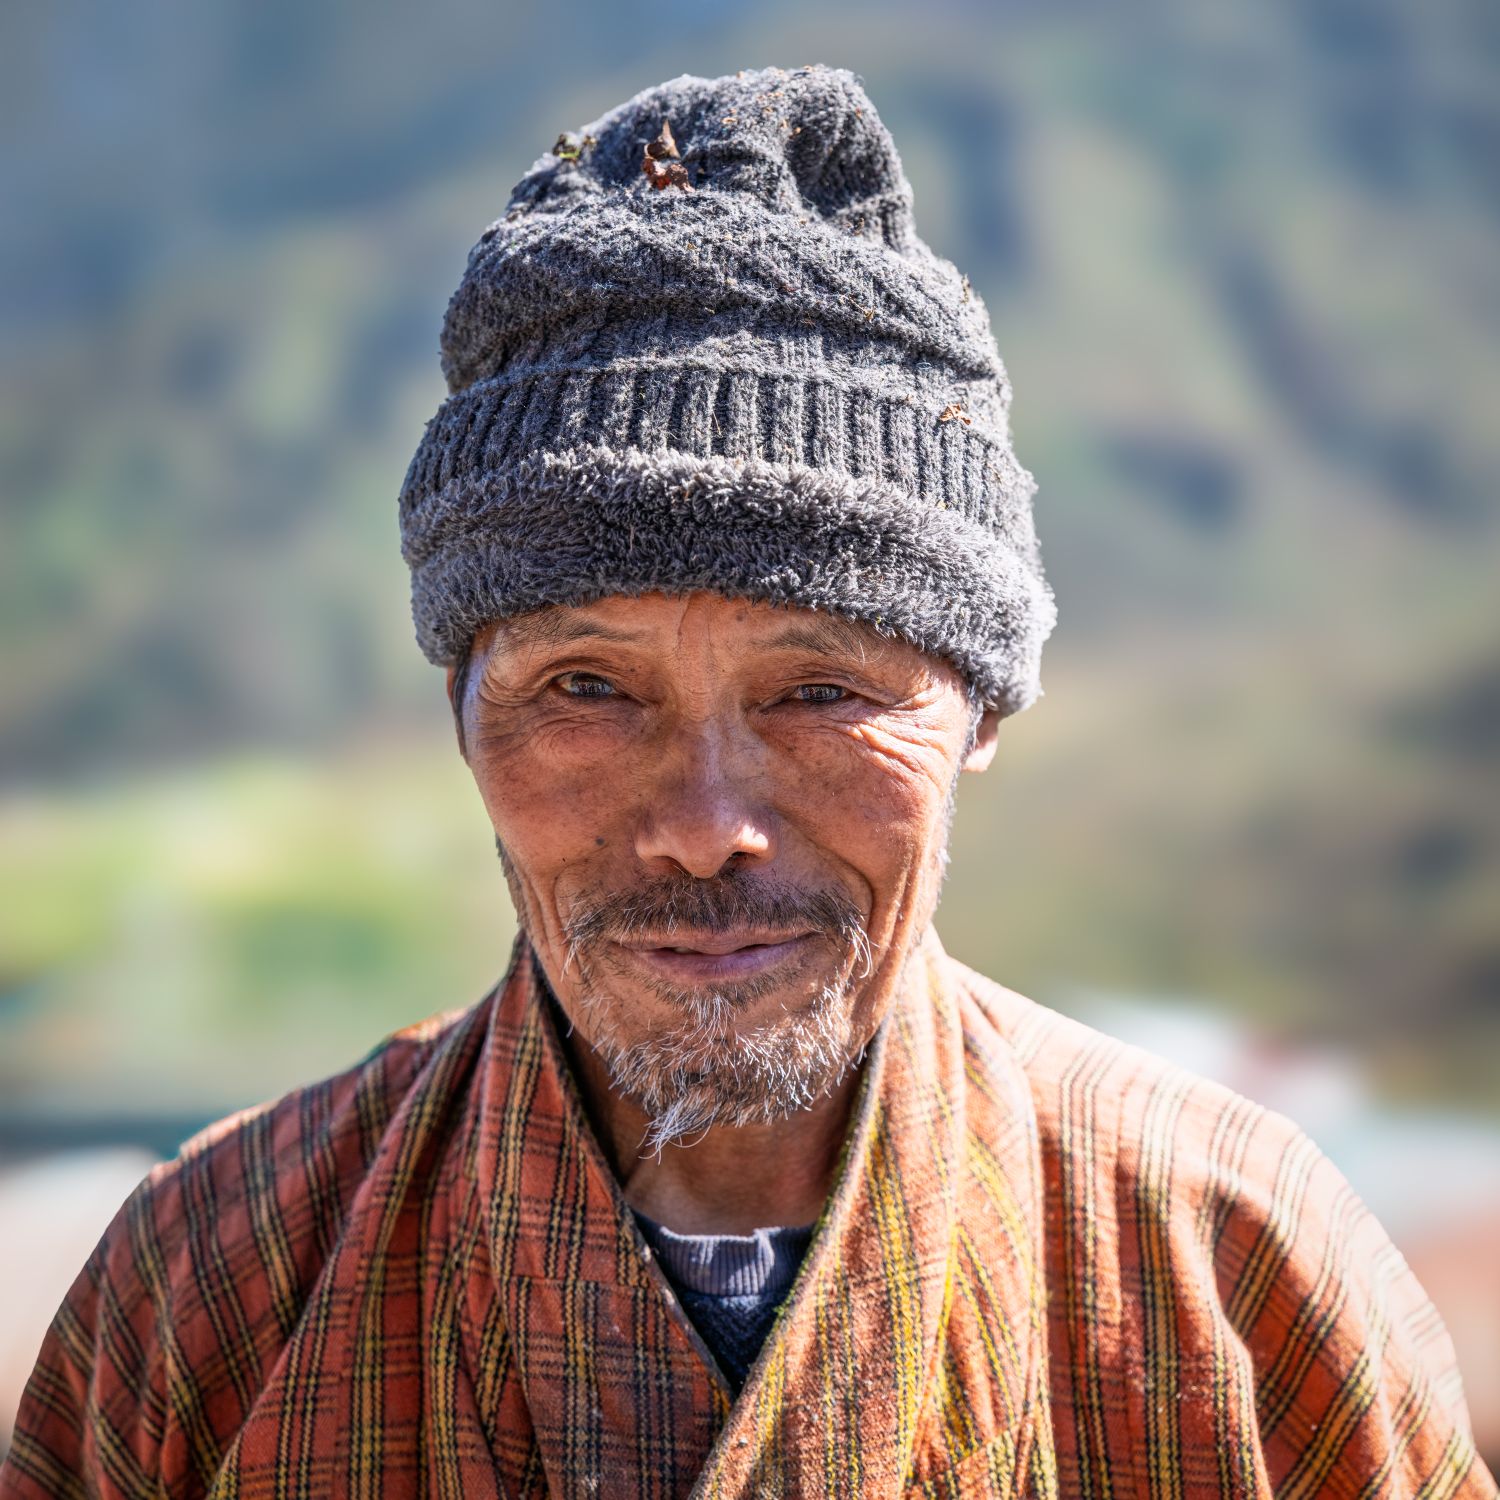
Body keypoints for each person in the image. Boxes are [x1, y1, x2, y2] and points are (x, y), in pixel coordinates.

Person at [2, 63, 1492, 1500]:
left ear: (978, 711)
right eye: (585, 691)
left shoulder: (1230, 1267)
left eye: (821, 692)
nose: (706, 827)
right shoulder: (213, 1285)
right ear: (460, 717)